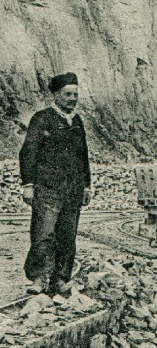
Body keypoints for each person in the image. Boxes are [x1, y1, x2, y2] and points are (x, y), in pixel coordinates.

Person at [19, 72, 92, 296]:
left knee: (67, 237)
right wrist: (28, 184)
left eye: (75, 94)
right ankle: (39, 278)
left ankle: (61, 279)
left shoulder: (77, 121)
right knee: (44, 234)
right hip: (48, 188)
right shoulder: (42, 119)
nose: (72, 98)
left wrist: (86, 185)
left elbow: (83, 155)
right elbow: (28, 152)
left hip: (73, 190)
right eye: (67, 94)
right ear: (56, 95)